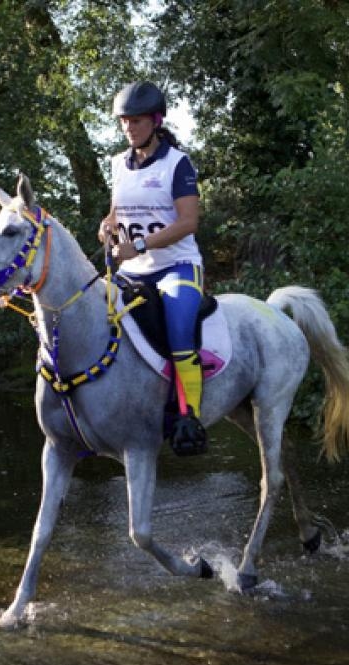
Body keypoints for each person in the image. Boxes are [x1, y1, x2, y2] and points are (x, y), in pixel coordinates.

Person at [98, 81, 207, 456]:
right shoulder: (117, 163)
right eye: (124, 121)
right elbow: (118, 208)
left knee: (179, 331)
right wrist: (107, 225)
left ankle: (189, 416)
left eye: (137, 121)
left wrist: (139, 245)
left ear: (156, 121)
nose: (129, 127)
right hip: (132, 270)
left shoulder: (178, 163)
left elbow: (188, 222)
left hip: (176, 266)